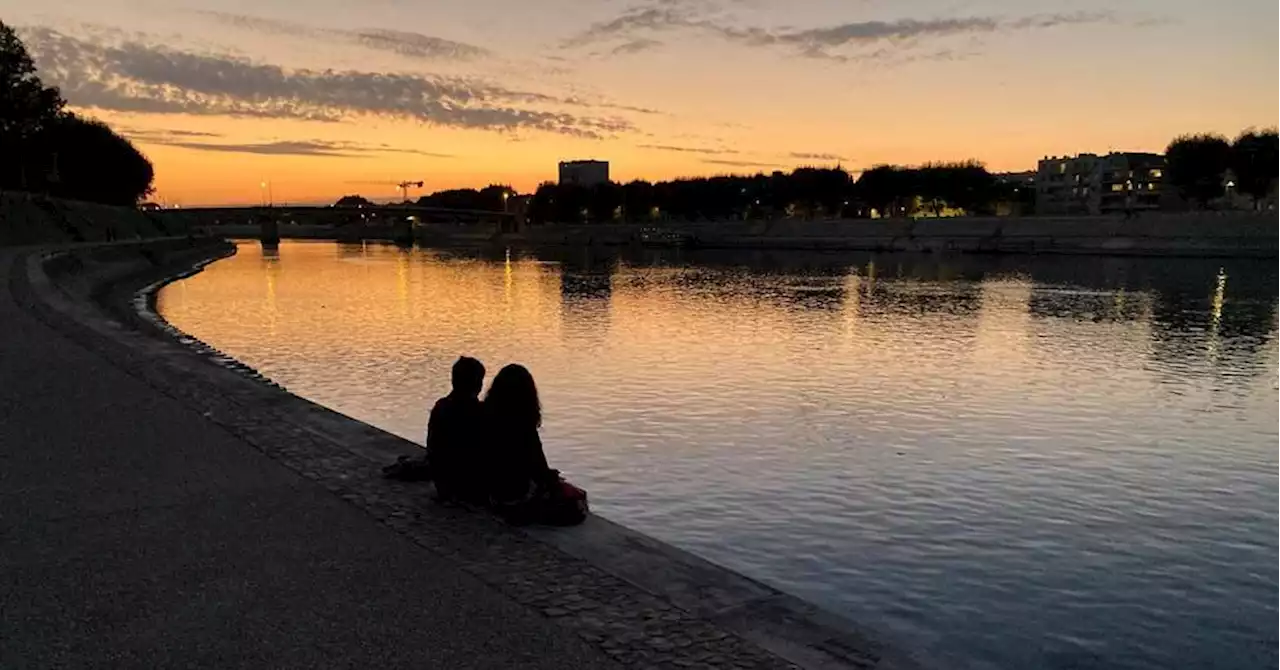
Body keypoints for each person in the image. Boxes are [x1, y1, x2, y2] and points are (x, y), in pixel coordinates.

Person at [481, 364, 556, 506]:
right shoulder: (524, 427)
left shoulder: (483, 415)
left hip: (484, 486)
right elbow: (539, 467)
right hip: (511, 493)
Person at [426, 356, 487, 502]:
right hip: (468, 486)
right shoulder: (478, 412)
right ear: (478, 384)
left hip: (443, 484)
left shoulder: (441, 407)